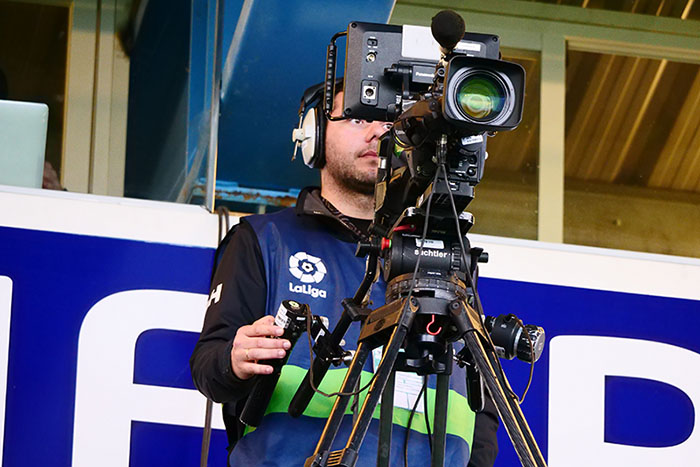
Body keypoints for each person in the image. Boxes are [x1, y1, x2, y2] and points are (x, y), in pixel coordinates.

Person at [190, 83, 499, 466]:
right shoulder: (264, 239)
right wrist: (234, 360)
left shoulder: (444, 252)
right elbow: (208, 368)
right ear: (314, 133)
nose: (378, 132)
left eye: (392, 122)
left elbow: (481, 403)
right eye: (357, 117)